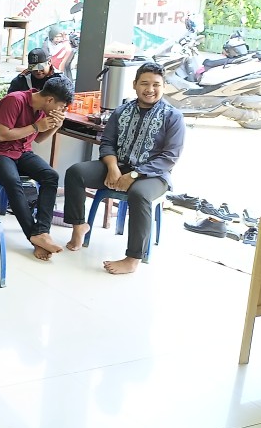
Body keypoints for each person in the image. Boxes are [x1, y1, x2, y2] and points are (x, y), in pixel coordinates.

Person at [65, 62, 185, 275]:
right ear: (134, 85)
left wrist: (135, 175)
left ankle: (132, 258)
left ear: (164, 86)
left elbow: (169, 157)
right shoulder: (122, 111)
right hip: (119, 167)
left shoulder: (173, 117)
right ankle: (79, 226)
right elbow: (107, 142)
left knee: (139, 195)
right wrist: (112, 167)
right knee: (76, 172)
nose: (150, 89)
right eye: (144, 83)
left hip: (154, 175)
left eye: (156, 84)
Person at [0, 76, 74, 261]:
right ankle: (35, 238)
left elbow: (38, 138)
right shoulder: (14, 100)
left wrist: (56, 125)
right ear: (49, 100)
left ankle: (42, 232)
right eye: (61, 107)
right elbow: (1, 135)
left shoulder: (42, 109)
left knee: (50, 176)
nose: (62, 110)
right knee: (13, 182)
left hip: (20, 151)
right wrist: (36, 126)